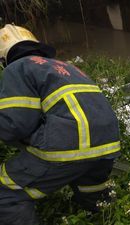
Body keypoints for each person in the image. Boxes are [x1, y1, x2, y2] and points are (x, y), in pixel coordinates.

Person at [0, 24, 120, 225]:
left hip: (69, 147)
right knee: (93, 194)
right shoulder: (68, 67)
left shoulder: (17, 68)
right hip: (107, 145)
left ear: (4, 59)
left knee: (6, 190)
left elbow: (16, 124)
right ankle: (106, 218)